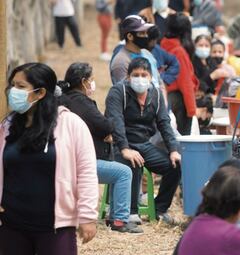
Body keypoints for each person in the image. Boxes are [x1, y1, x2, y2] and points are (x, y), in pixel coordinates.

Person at [0, 63, 99, 255]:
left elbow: (86, 170)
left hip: (54, 223)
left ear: (41, 92)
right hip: (12, 223)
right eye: (12, 85)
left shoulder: (70, 124)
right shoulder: (8, 126)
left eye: (19, 86)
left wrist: (87, 215)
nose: (12, 92)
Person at [58, 63, 142, 234]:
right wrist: (107, 131)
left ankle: (114, 216)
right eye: (91, 79)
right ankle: (119, 220)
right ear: (83, 82)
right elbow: (105, 125)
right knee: (124, 172)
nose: (92, 83)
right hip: (80, 164)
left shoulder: (64, 98)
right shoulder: (80, 102)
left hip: (67, 159)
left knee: (117, 171)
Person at [106, 58, 182, 225]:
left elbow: (164, 123)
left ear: (150, 77)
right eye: (135, 75)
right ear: (128, 77)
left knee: (175, 166)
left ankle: (160, 209)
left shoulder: (155, 94)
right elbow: (115, 121)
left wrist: (173, 149)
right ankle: (129, 212)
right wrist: (125, 148)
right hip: (119, 144)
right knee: (133, 162)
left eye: (144, 75)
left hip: (144, 144)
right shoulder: (118, 92)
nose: (140, 79)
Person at [161, 13, 199, 135]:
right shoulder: (179, 52)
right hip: (178, 100)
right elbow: (185, 83)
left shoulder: (163, 46)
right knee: (184, 139)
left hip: (165, 97)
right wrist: (192, 110)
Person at [110, 15, 159, 86]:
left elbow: (159, 81)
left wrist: (161, 96)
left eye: (146, 33)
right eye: (142, 33)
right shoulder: (121, 62)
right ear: (130, 36)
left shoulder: (147, 54)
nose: (146, 36)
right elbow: (125, 92)